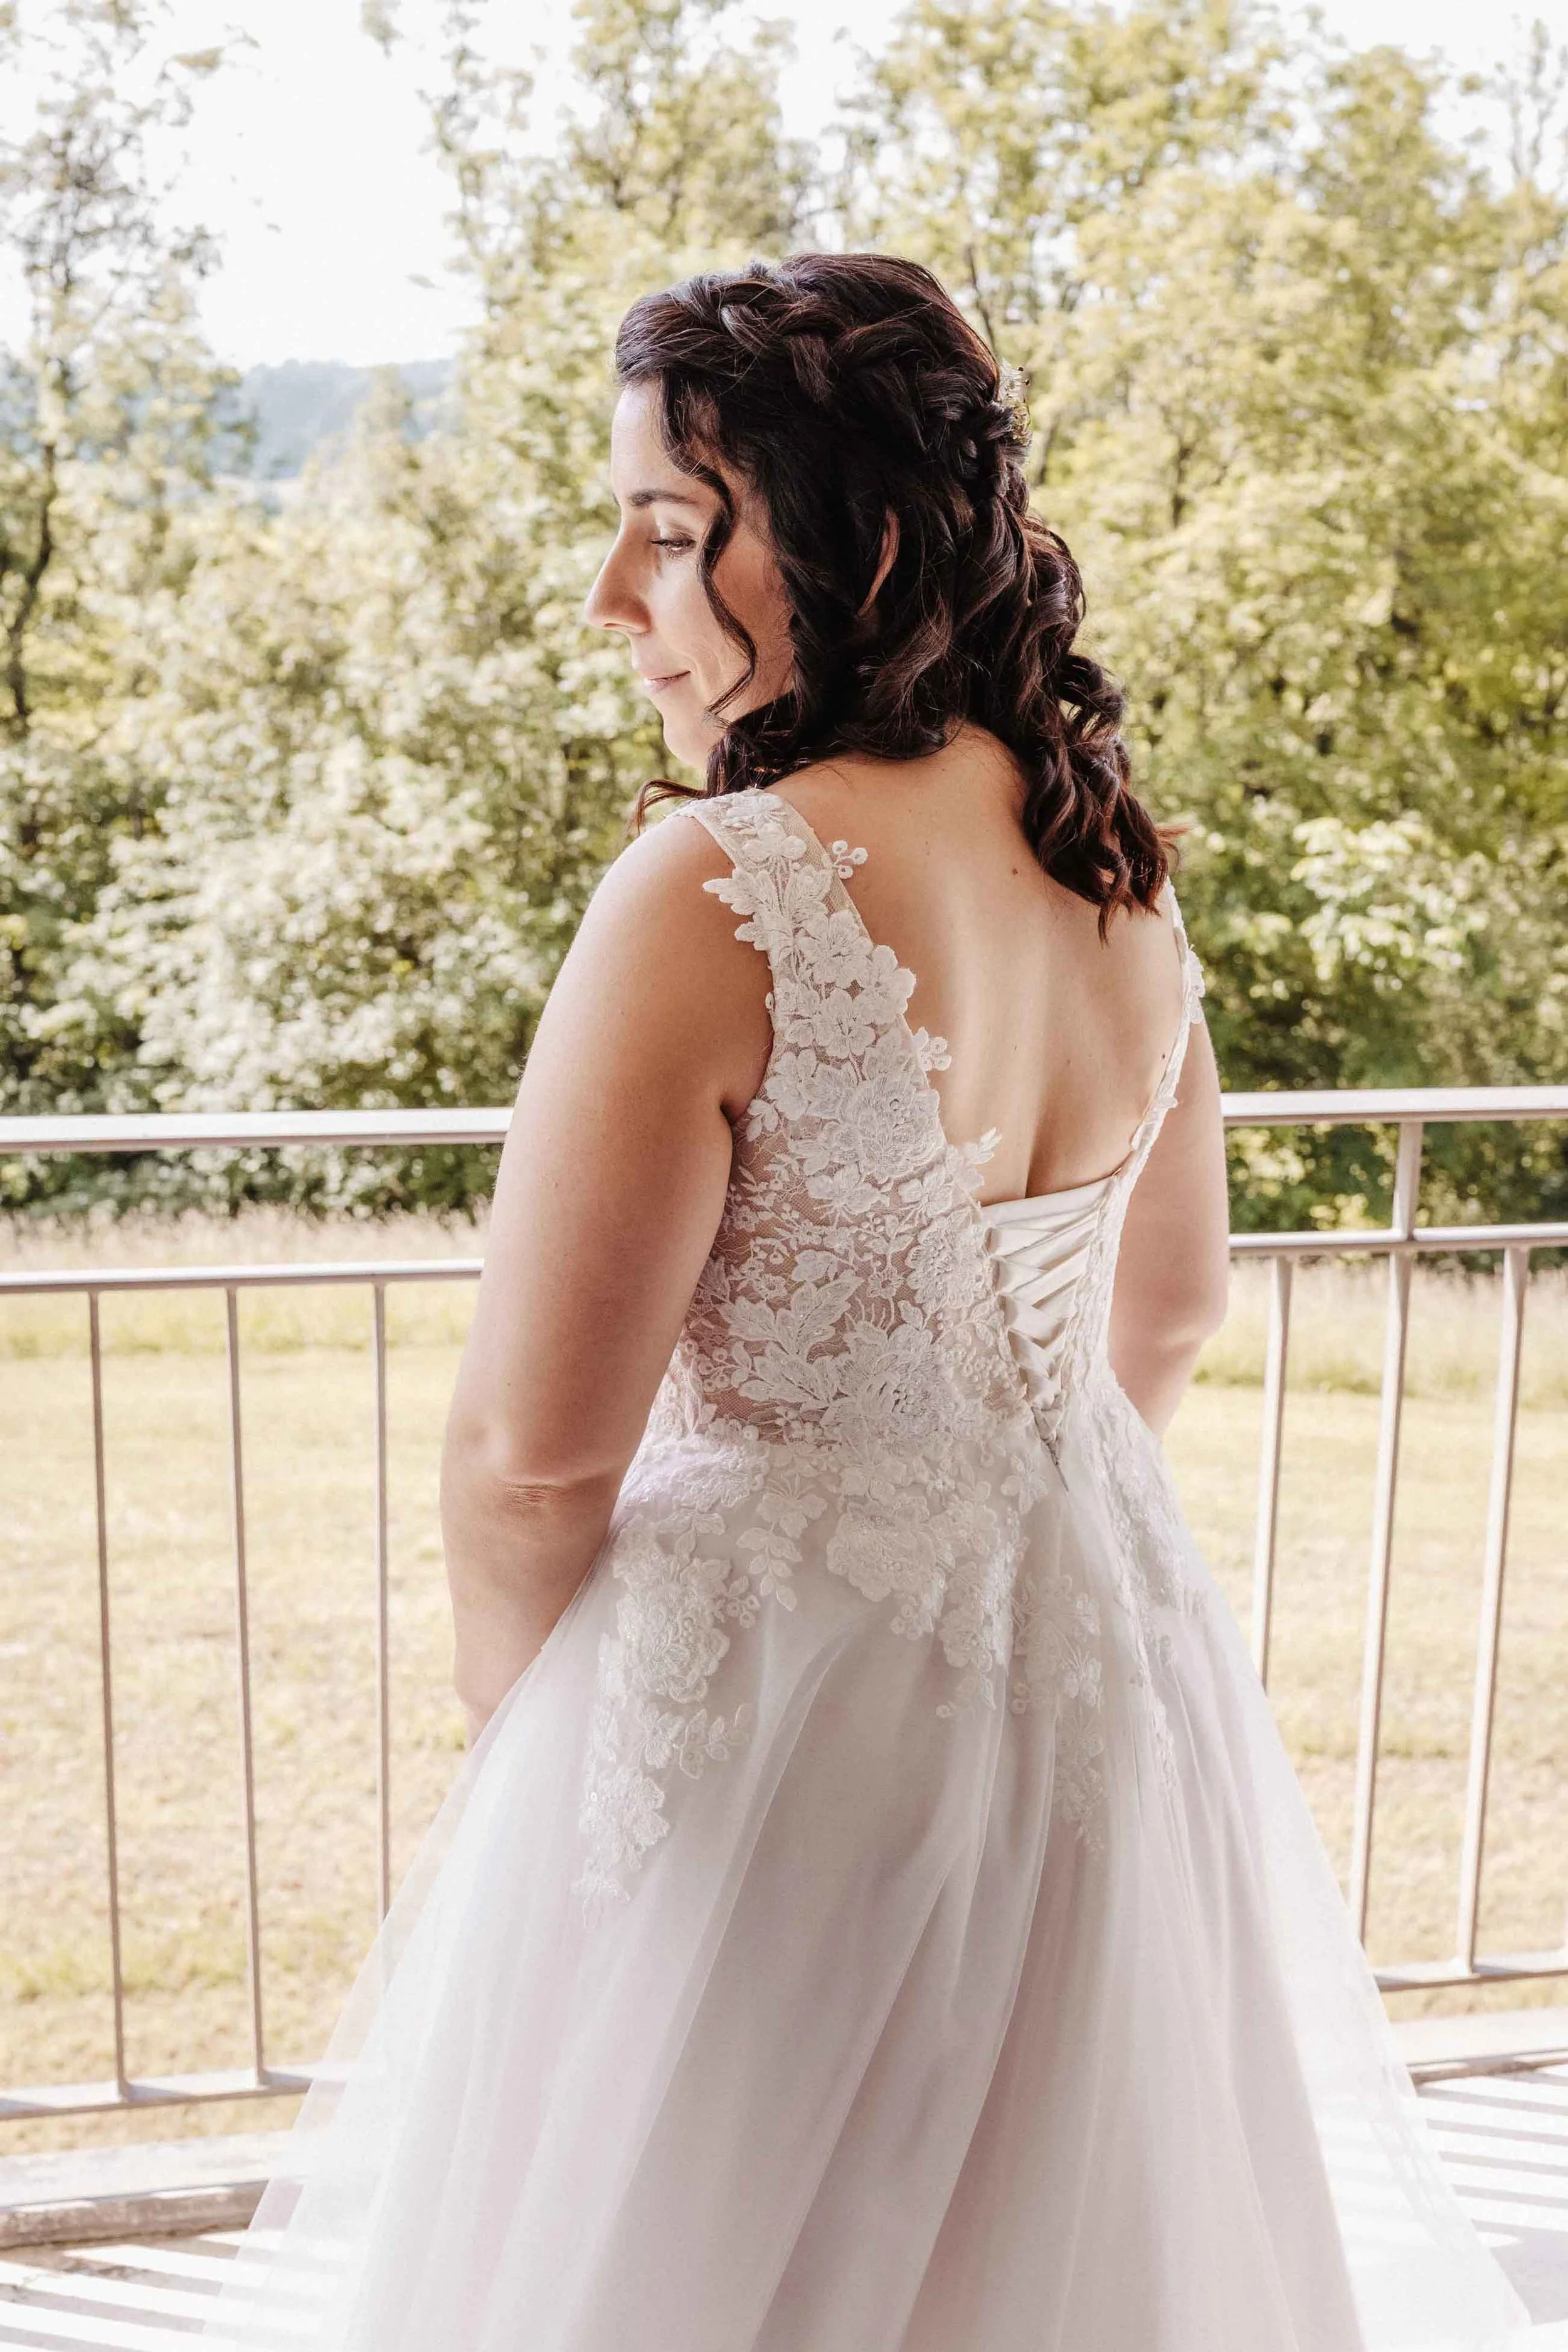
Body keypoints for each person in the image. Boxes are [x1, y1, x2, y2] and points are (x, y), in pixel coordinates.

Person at [211, 254, 1537, 2351]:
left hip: (773, 1723)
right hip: (1103, 1667)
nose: (609, 602)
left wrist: (537, 1765)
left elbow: (532, 1451)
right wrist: (1003, 1548)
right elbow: (1167, 1311)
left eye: (667, 529)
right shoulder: (1109, 863)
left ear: (863, 540)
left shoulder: (721, 885)